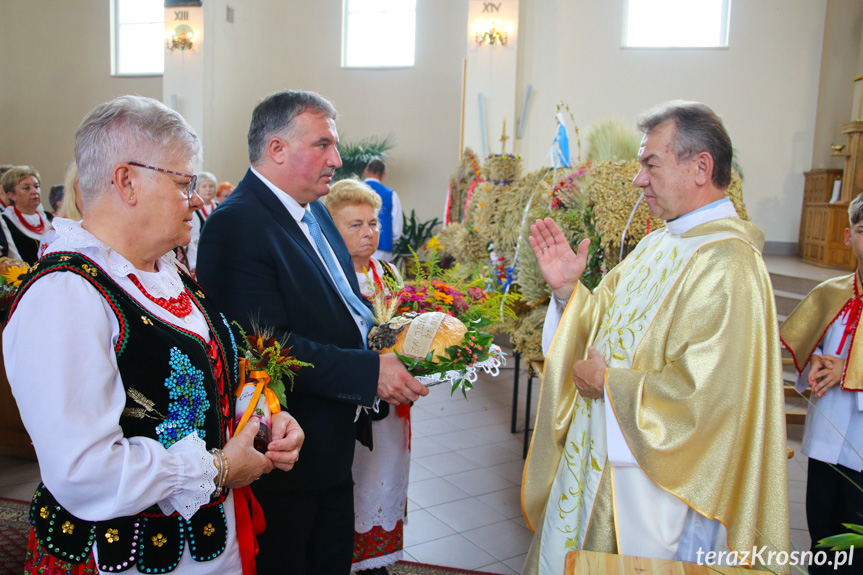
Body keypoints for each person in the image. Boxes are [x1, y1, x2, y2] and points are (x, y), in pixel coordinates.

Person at [4, 95, 304, 575]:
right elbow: (85, 472)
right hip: (127, 556)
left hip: (206, 539)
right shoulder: (66, 295)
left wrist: (264, 419)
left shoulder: (169, 272)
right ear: (126, 181)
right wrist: (220, 469)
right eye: (184, 182)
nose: (198, 199)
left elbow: (206, 377)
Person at [521, 101, 789, 574]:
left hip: (654, 488)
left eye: (650, 164)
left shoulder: (730, 265)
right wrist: (567, 291)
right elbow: (606, 319)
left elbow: (708, 400)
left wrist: (610, 384)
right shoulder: (660, 242)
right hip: (601, 455)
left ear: (701, 166)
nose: (638, 179)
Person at [196, 89, 427, 575]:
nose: (337, 159)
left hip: (333, 435)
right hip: (288, 446)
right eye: (323, 145)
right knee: (292, 559)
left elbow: (343, 303)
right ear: (277, 149)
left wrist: (397, 335)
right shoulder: (237, 223)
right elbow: (262, 348)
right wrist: (368, 372)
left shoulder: (315, 209)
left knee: (330, 556)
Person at [324, 179, 408, 573]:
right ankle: (348, 556)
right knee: (352, 475)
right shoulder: (327, 275)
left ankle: (377, 557)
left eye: (373, 223)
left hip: (390, 403)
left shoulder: (388, 274)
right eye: (354, 225)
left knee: (387, 470)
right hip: (348, 402)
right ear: (330, 229)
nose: (368, 233)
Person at [780, 194, 863, 575]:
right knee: (824, 538)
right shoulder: (830, 294)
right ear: (848, 237)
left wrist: (850, 367)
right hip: (827, 438)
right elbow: (810, 348)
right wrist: (815, 364)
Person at [1, 165, 53, 263]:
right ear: (11, 195)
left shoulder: (49, 218)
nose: (34, 191)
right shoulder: (5, 222)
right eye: (26, 188)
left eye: (36, 186)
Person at [363, 159, 403, 263]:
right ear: (383, 175)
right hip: (383, 247)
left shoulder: (352, 191)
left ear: (366, 171)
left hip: (355, 246)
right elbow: (397, 230)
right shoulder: (391, 194)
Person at [185, 171, 219, 276]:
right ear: (198, 188)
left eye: (211, 186)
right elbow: (193, 240)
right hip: (201, 255)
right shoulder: (195, 210)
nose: (208, 189)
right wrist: (193, 264)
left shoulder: (219, 206)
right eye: (204, 186)